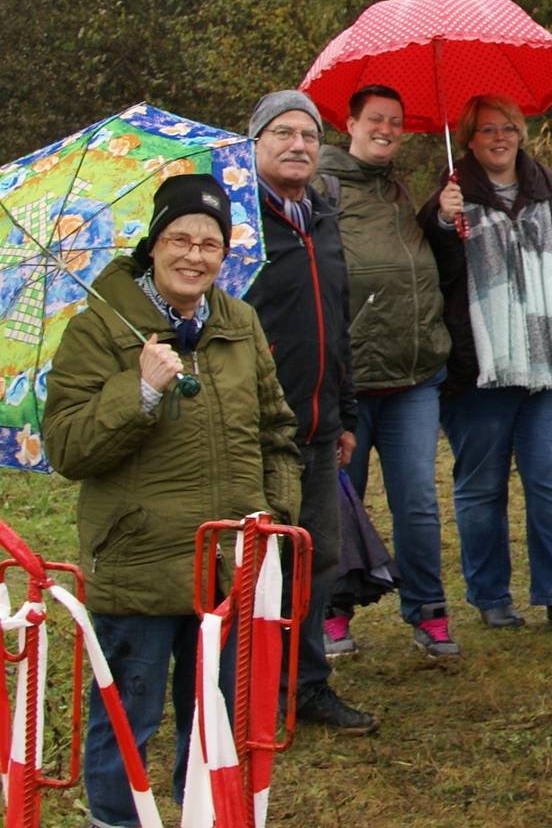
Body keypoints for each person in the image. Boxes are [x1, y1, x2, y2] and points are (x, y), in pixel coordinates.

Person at [43, 174, 303, 828]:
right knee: (127, 717)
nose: (195, 254)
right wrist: (139, 390)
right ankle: (114, 819)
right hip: (140, 562)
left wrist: (275, 518)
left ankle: (203, 815)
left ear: (225, 251)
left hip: (229, 558)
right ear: (154, 244)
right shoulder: (98, 328)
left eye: (210, 242)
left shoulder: (238, 321)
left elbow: (277, 430)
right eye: (180, 238)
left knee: (214, 716)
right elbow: (67, 446)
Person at [422, 93, 552, 635]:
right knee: (481, 486)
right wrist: (437, 222)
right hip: (480, 366)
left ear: (520, 133)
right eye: (485, 131)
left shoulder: (549, 190)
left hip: (551, 364)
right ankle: (490, 595)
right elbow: (430, 274)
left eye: (507, 128)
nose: (498, 138)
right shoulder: (449, 200)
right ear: (468, 140)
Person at [243, 89, 373, 734]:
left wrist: (345, 413)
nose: (298, 144)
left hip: (320, 426)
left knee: (315, 558)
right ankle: (242, 694)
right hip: (252, 430)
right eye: (282, 133)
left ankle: (305, 685)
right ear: (256, 142)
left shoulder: (321, 218)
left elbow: (336, 323)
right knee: (252, 564)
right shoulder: (237, 224)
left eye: (307, 134)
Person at [319, 83, 458, 662]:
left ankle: (428, 612)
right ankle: (329, 610)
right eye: (375, 119)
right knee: (336, 501)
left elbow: (415, 259)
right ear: (349, 123)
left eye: (396, 122)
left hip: (414, 374)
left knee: (418, 502)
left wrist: (443, 220)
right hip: (351, 379)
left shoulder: (395, 186)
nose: (387, 130)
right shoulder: (322, 185)